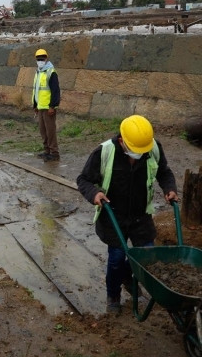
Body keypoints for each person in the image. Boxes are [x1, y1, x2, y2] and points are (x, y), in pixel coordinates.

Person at [76, 115, 178, 314]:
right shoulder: (104, 152)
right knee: (116, 258)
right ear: (122, 141)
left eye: (143, 151)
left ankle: (127, 275)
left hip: (141, 215)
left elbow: (164, 172)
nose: (140, 154)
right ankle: (113, 296)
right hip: (114, 215)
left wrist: (170, 188)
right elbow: (83, 180)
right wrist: (94, 193)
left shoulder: (152, 148)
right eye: (136, 151)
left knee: (147, 255)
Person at [32, 48, 61, 162]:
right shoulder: (38, 72)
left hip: (48, 108)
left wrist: (52, 106)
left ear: (46, 58)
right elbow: (36, 90)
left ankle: (54, 153)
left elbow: (55, 91)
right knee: (43, 131)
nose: (40, 60)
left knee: (50, 131)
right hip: (40, 107)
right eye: (38, 59)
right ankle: (47, 151)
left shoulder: (51, 72)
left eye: (42, 58)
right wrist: (35, 105)